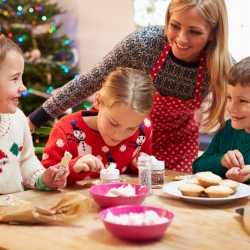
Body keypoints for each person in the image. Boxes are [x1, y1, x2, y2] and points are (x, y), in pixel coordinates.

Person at [29, 0, 233, 173]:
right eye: (175, 26)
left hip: (179, 146)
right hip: (131, 138)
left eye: (194, 32)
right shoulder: (144, 45)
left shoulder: (220, 64)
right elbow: (91, 80)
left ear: (213, 33)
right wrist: (35, 119)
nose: (181, 38)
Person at [41, 67, 154, 185]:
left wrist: (139, 165)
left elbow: (135, 170)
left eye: (131, 128)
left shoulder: (143, 128)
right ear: (98, 101)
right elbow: (43, 178)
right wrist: (72, 167)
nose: (118, 135)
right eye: (113, 123)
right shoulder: (65, 131)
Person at [0, 35, 68, 194]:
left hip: (14, 212)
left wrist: (44, 178)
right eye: (15, 78)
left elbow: (25, 161)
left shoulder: (18, 119)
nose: (23, 87)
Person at [193, 57, 250, 184]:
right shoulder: (228, 129)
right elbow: (197, 167)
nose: (231, 108)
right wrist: (222, 160)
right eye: (229, 98)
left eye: (243, 101)